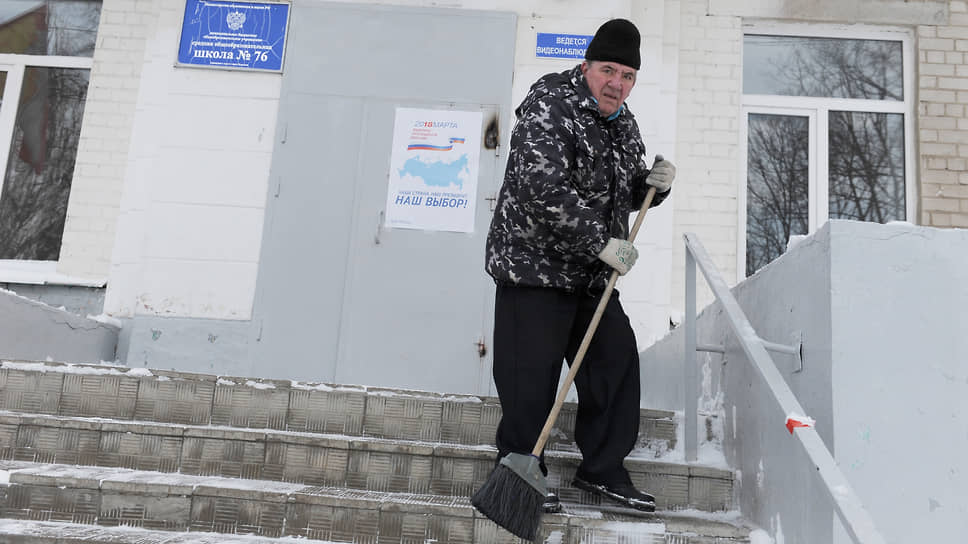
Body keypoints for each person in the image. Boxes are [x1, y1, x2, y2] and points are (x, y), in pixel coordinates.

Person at [484, 18, 676, 514]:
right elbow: (542, 189)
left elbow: (618, 194)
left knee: (615, 359)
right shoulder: (551, 103)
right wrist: (600, 243)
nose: (617, 82)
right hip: (534, 268)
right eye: (609, 69)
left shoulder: (623, 121)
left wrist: (652, 189)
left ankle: (602, 469)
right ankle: (520, 469)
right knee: (530, 377)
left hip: (589, 277)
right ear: (587, 65)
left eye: (628, 75)